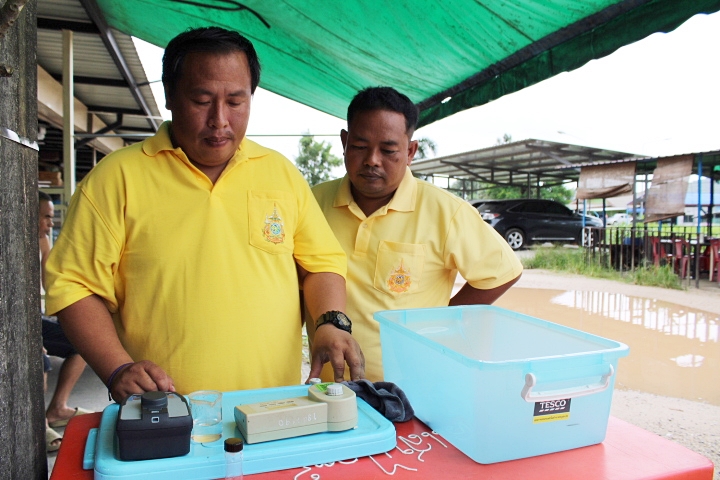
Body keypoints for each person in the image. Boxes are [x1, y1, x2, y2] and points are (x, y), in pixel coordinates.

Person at [44, 27, 364, 404]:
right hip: (166, 413)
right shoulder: (117, 178)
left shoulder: (281, 174)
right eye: (201, 99)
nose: (219, 119)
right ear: (170, 96)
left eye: (235, 101)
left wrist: (329, 322)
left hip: (272, 408)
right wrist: (117, 368)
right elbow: (74, 286)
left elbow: (320, 263)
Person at [309, 87, 523, 382]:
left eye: (388, 150)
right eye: (360, 146)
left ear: (410, 151)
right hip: (328, 386)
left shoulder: (446, 212)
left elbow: (502, 272)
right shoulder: (312, 203)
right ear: (344, 142)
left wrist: (441, 324)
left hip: (411, 386)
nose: (372, 160)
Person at [38, 191, 90, 451]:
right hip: (19, 323)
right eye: (46, 217)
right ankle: (37, 425)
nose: (51, 223)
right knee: (41, 360)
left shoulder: (42, 241)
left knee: (83, 342)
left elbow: (49, 285)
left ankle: (57, 408)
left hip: (36, 318)